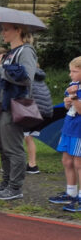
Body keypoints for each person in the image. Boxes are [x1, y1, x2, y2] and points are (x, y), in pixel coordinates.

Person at [0, 22, 39, 200]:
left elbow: (27, 78)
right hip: (0, 104)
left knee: (13, 148)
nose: (3, 32)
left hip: (13, 105)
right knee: (2, 147)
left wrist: (1, 70)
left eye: (6, 29)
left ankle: (15, 187)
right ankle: (6, 182)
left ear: (18, 30)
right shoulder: (9, 53)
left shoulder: (26, 51)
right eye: (2, 29)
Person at [49, 57, 81, 211]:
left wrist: (74, 97)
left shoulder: (76, 90)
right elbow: (69, 107)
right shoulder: (72, 86)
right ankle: (71, 193)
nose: (71, 74)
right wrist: (68, 102)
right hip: (69, 126)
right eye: (70, 71)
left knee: (79, 164)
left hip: (79, 130)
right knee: (67, 161)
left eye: (75, 71)